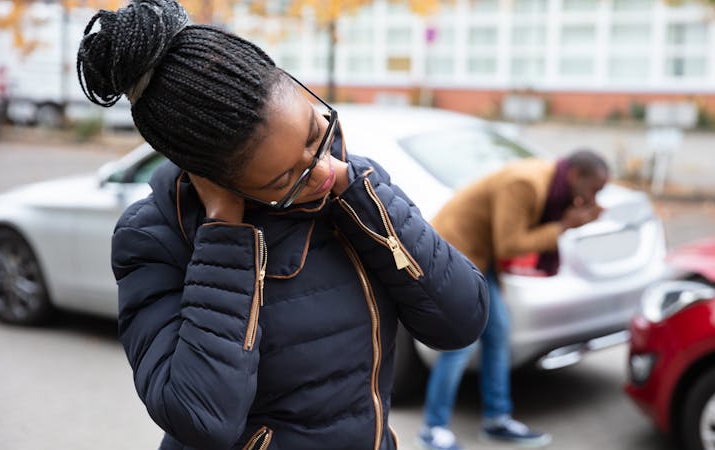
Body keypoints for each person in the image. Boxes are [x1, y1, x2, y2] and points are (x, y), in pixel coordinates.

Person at [76, 1, 489, 449]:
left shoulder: (351, 187)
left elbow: (461, 321)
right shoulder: (155, 236)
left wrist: (361, 196)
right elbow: (200, 419)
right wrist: (222, 233)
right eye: (285, 179)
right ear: (215, 179)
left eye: (316, 132)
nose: (322, 171)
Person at [417, 150, 609, 450]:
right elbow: (510, 244)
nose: (595, 197)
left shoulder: (552, 186)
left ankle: (497, 419)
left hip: (479, 256)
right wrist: (564, 226)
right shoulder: (526, 184)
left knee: (497, 331)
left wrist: (568, 218)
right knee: (462, 341)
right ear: (574, 176)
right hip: (452, 252)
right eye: (595, 189)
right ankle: (432, 429)